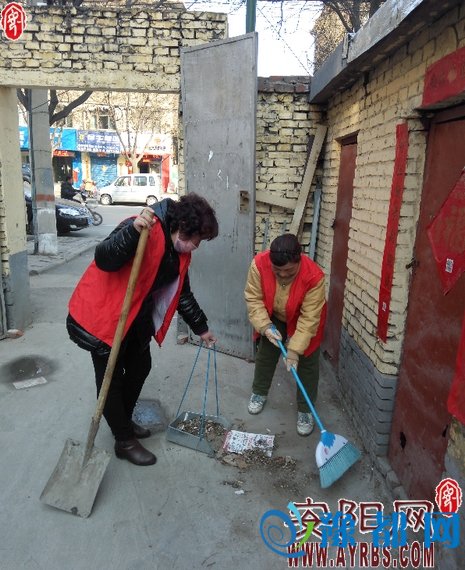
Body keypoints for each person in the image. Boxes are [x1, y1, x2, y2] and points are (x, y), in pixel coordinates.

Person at [66, 193, 218, 466]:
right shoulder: (142, 227)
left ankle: (122, 421)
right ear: (184, 226)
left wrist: (201, 328)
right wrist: (132, 234)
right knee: (110, 378)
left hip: (136, 318)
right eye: (198, 239)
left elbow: (181, 292)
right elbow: (104, 258)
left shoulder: (179, 253)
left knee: (140, 367)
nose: (196, 246)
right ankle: (123, 440)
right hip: (104, 316)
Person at [244, 233, 327, 436]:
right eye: (277, 270)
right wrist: (265, 326)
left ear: (299, 260)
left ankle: (306, 409)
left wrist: (294, 350)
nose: (282, 275)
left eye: (289, 271)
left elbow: (309, 319)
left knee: (307, 361)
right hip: (274, 313)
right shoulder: (259, 264)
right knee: (266, 353)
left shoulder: (314, 277)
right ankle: (259, 392)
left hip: (303, 317)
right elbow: (254, 298)